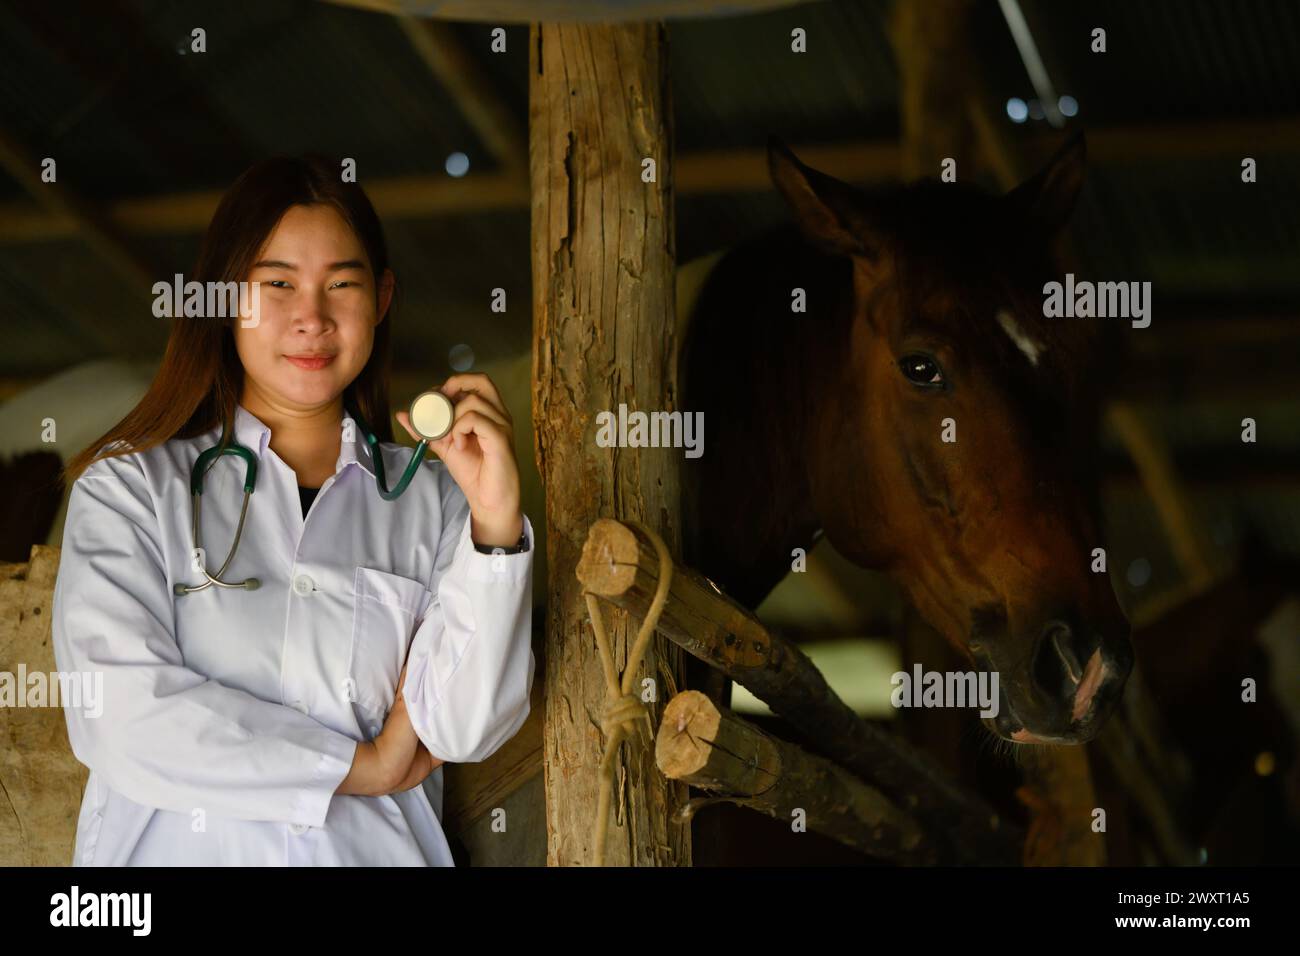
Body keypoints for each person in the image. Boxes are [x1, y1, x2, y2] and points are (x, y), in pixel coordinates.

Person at [51, 156, 534, 866]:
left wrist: (494, 521)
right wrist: (361, 765)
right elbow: (123, 716)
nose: (312, 317)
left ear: (382, 299)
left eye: (342, 284)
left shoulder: (430, 501)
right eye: (277, 284)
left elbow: (464, 727)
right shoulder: (131, 489)